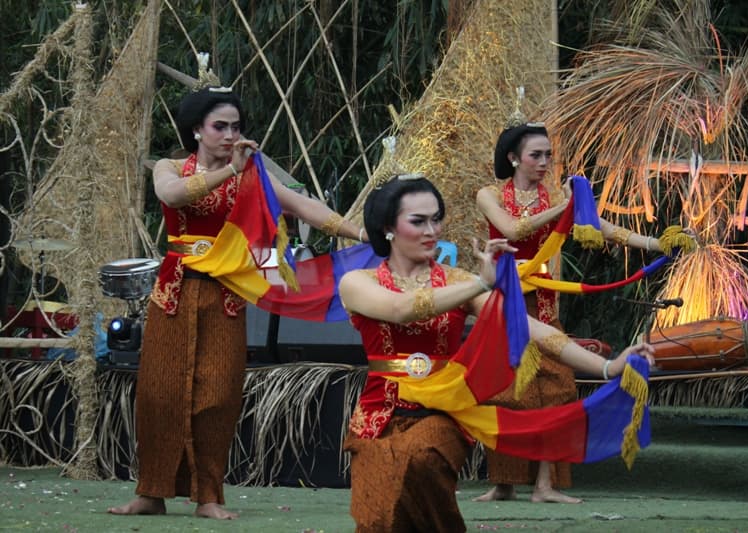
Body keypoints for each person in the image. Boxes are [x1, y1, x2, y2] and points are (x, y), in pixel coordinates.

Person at [339, 174, 655, 532]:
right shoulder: (357, 282)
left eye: (435, 218)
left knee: (421, 457)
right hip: (380, 411)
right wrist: (480, 283)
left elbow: (538, 331)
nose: (432, 229)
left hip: (445, 408)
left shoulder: (459, 282)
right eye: (418, 221)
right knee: (379, 514)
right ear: (387, 228)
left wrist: (608, 367)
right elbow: (402, 309)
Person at [108, 86, 364, 520]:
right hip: (174, 293)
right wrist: (230, 172)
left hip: (227, 295)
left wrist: (364, 235)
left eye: (236, 127)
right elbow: (173, 197)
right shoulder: (170, 167)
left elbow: (305, 207)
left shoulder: (253, 175)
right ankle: (150, 493)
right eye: (219, 127)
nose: (230, 135)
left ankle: (209, 496)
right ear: (197, 131)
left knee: (218, 395)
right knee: (159, 394)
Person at [474, 121, 686, 504]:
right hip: (503, 302)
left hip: (546, 303)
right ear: (513, 158)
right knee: (503, 393)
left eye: (548, 156)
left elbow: (602, 228)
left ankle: (544, 486)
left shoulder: (553, 195)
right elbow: (513, 229)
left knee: (556, 390)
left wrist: (656, 242)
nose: (544, 162)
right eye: (535, 155)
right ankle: (503, 483)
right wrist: (564, 207)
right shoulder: (489, 195)